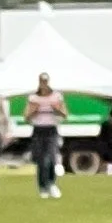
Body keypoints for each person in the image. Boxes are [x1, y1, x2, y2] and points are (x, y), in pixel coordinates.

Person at [26, 72, 65, 200]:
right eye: (42, 81)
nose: (44, 84)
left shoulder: (56, 96)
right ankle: (42, 187)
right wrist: (34, 110)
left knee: (51, 158)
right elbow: (26, 116)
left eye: (46, 81)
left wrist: (56, 109)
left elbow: (65, 113)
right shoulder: (33, 98)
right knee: (41, 160)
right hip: (38, 130)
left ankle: (51, 183)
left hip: (51, 130)